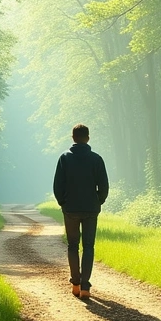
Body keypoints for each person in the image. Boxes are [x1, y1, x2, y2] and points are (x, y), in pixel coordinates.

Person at [52, 123, 109, 299]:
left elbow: (57, 185)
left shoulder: (64, 158)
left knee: (72, 245)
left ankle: (75, 284)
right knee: (89, 246)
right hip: (91, 208)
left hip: (71, 209)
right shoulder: (96, 159)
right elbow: (104, 186)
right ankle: (85, 287)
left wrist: (63, 202)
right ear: (88, 138)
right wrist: (98, 200)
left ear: (73, 138)